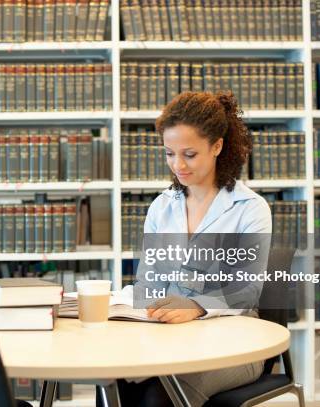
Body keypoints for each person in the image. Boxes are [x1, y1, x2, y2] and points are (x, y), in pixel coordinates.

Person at [105, 91, 273, 407]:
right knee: (113, 384)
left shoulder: (249, 208)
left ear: (217, 146)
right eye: (169, 153)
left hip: (237, 344)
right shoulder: (161, 207)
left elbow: (247, 290)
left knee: (161, 394)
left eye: (190, 154)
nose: (177, 165)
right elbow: (148, 285)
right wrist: (117, 305)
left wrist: (196, 305)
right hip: (169, 338)